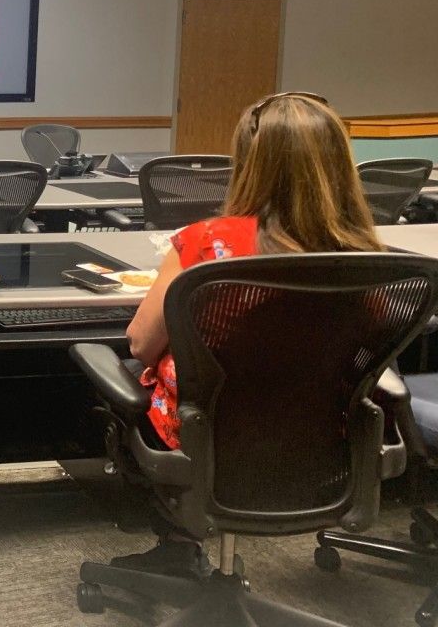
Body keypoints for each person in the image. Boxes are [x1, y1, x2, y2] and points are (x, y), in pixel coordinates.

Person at [118, 91, 383, 575]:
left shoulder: (208, 241)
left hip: (205, 438)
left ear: (250, 164)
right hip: (321, 441)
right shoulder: (365, 257)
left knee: (126, 376)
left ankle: (177, 544)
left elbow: (141, 343)